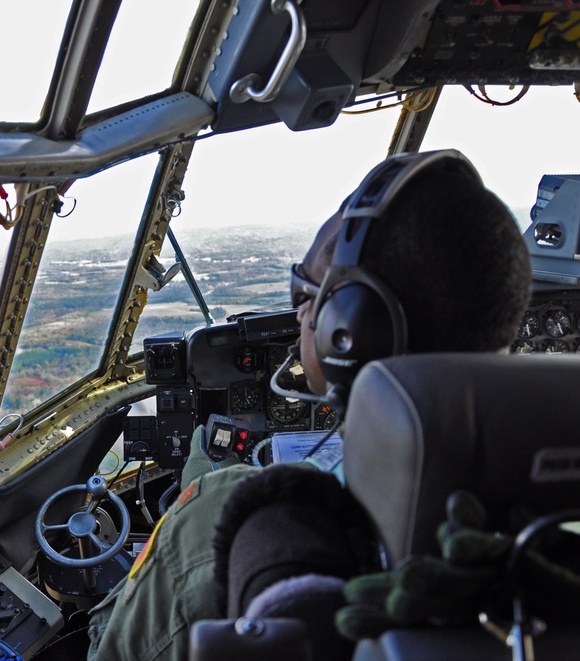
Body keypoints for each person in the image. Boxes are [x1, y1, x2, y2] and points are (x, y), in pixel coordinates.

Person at [85, 150, 532, 661]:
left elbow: (111, 647)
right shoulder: (539, 529)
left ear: (350, 329)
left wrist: (199, 494)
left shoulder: (230, 509)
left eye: (306, 292)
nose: (300, 314)